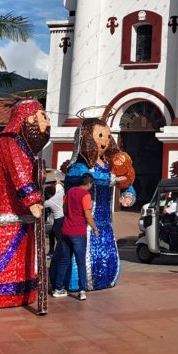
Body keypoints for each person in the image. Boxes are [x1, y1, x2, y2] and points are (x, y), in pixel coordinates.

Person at [0, 98, 50, 308]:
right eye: (43, 116)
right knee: (5, 262)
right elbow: (20, 176)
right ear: (27, 119)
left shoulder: (23, 148)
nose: (48, 123)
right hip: (6, 223)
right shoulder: (10, 145)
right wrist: (33, 200)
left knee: (22, 264)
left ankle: (22, 291)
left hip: (18, 222)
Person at [62, 117, 136, 294]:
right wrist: (110, 179)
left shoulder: (110, 165)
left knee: (107, 255)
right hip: (84, 224)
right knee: (81, 256)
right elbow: (82, 177)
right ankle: (77, 283)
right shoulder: (80, 166)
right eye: (100, 135)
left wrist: (128, 195)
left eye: (108, 136)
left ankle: (106, 279)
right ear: (85, 138)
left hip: (105, 223)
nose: (105, 140)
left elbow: (127, 183)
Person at [52, 173, 97, 299]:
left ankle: (58, 288)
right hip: (78, 232)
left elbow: (64, 208)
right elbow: (88, 215)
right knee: (81, 262)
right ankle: (82, 290)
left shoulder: (70, 191)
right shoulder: (86, 195)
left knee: (64, 261)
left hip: (66, 231)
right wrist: (95, 228)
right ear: (89, 184)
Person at [44, 180, 64, 257]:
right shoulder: (59, 194)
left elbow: (41, 204)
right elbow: (63, 189)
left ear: (48, 194)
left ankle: (61, 253)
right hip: (62, 217)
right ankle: (52, 251)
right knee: (52, 235)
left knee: (58, 237)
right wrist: (59, 182)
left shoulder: (49, 202)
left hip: (58, 219)